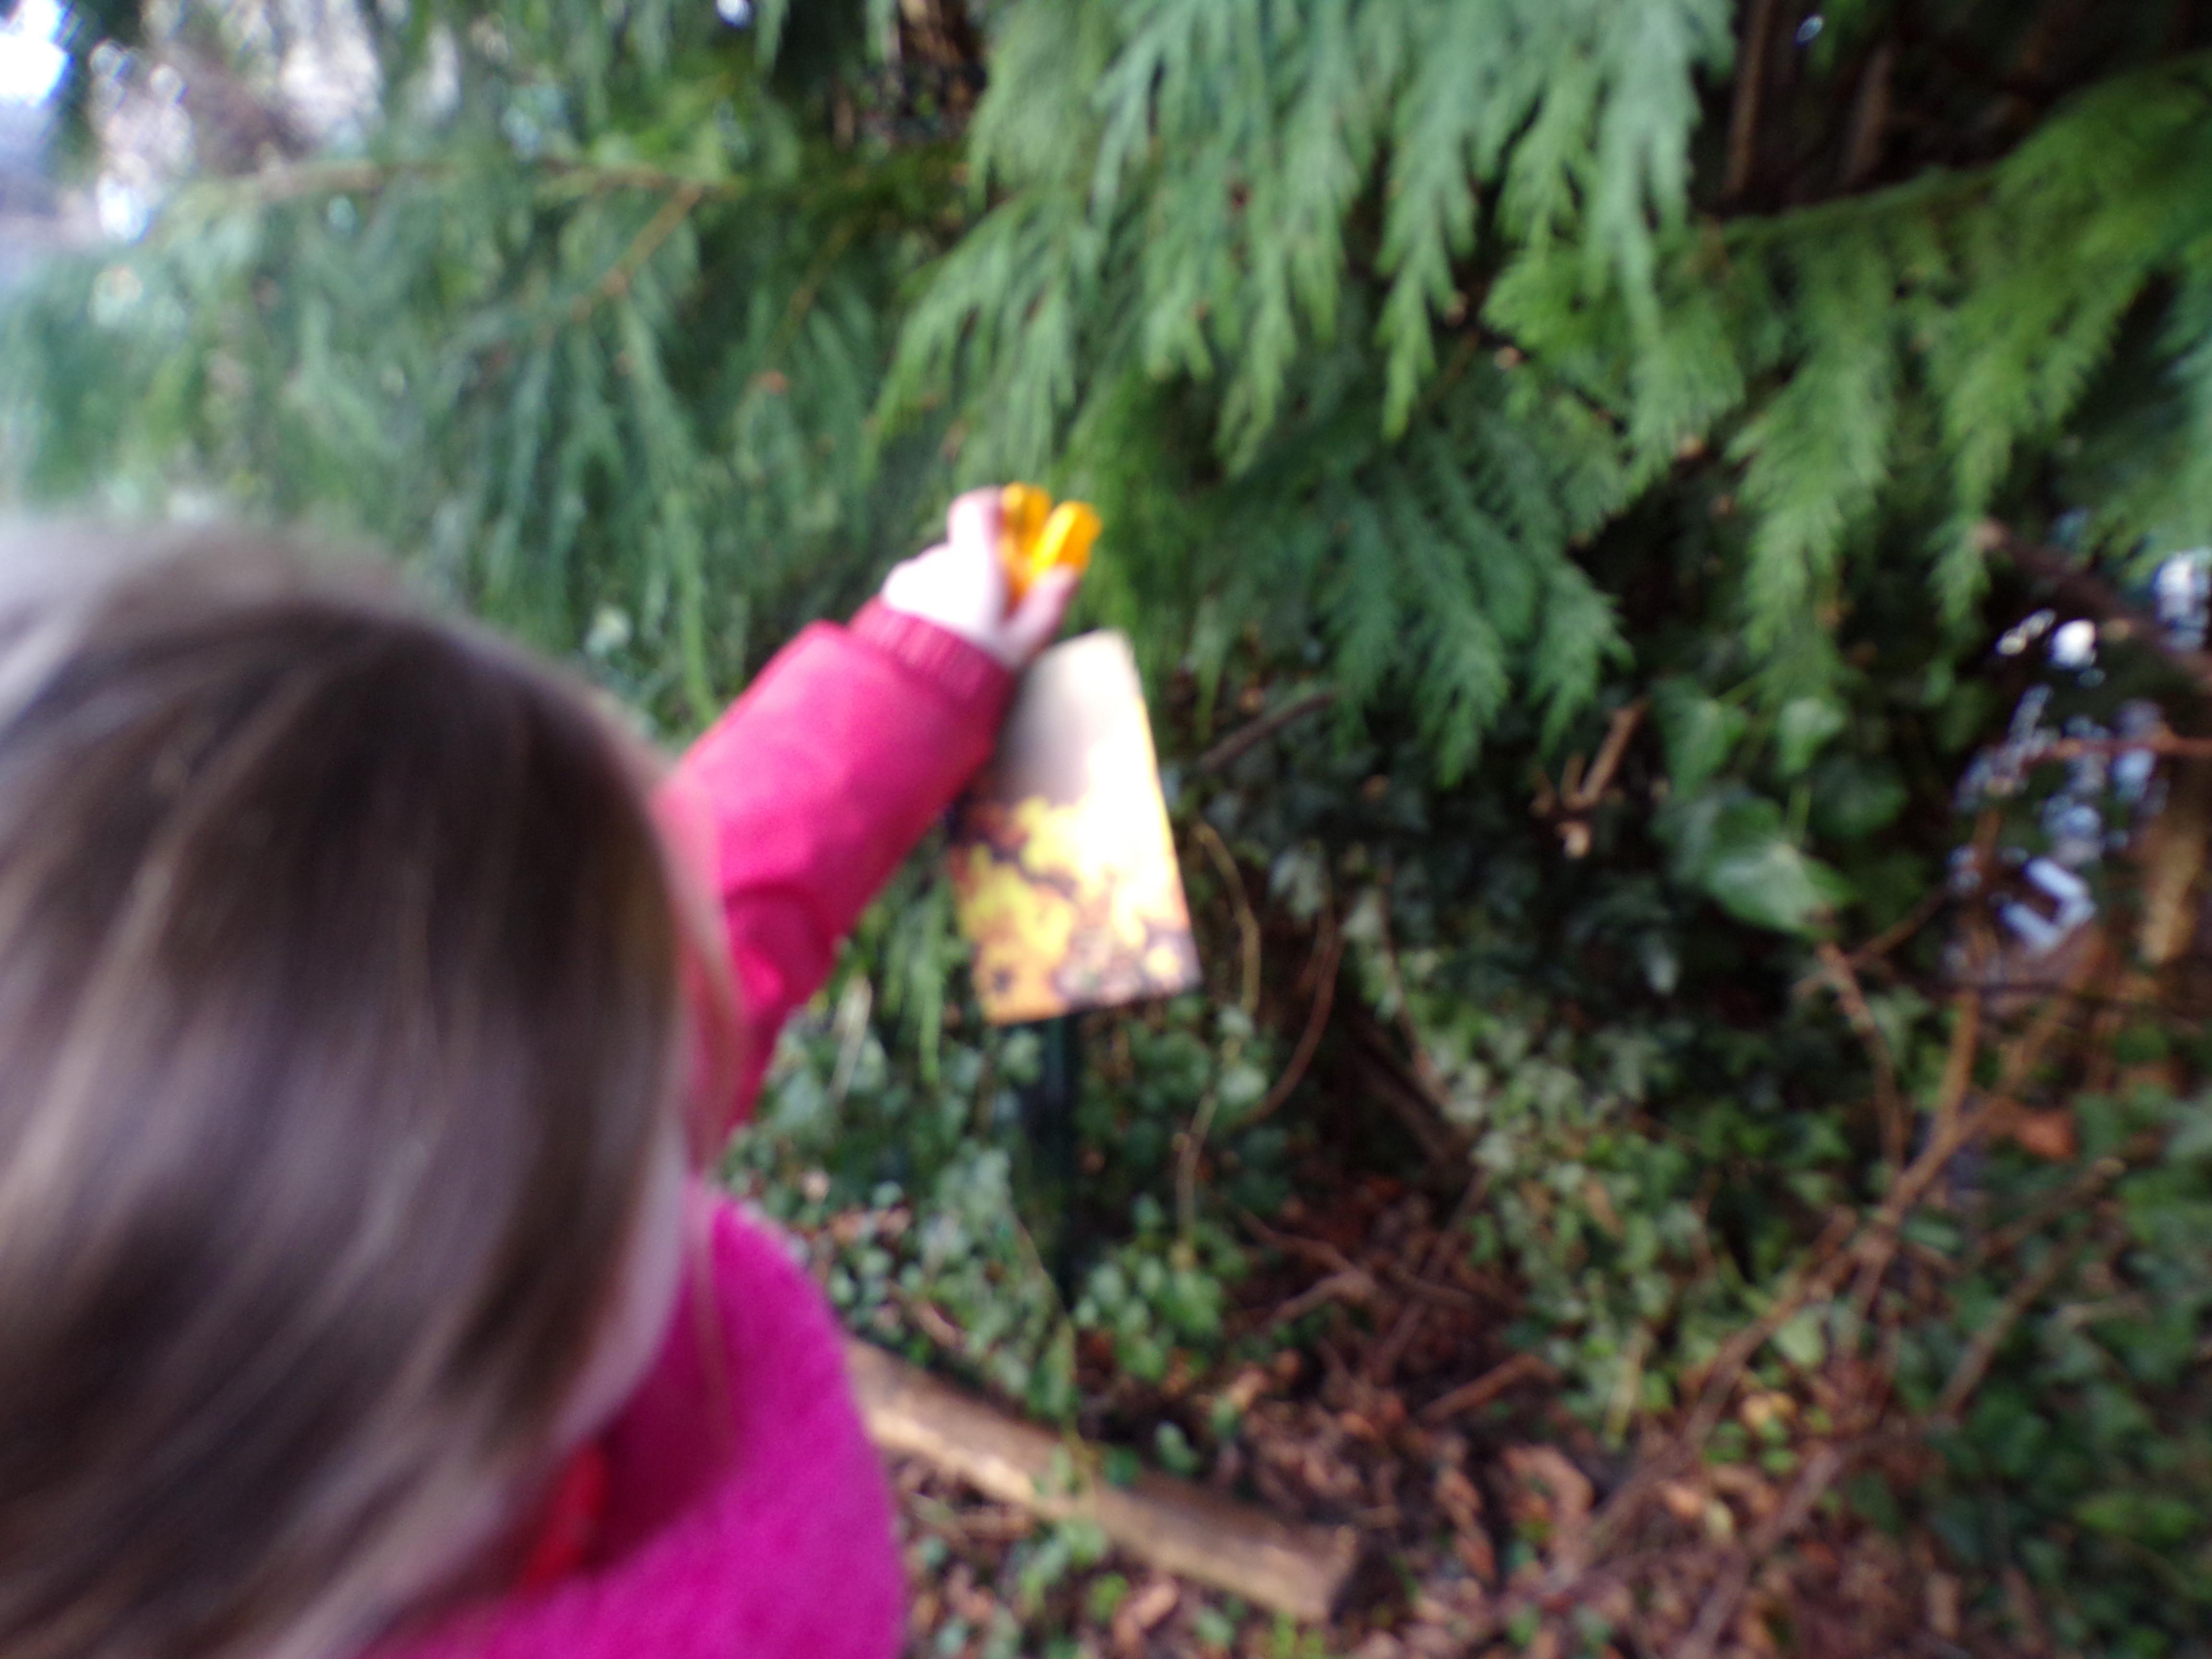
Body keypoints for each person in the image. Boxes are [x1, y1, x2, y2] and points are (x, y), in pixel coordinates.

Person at [0, 491, 1078, 1659]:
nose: (673, 1061)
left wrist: (914, 671)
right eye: (634, 1111)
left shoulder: (455, 1208)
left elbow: (690, 955)